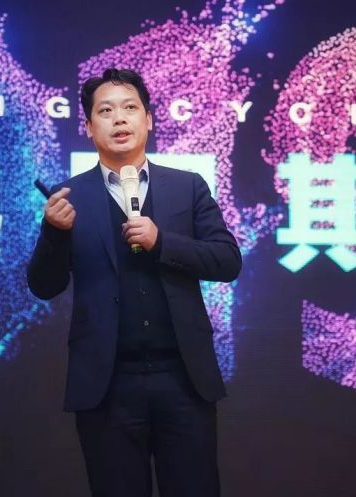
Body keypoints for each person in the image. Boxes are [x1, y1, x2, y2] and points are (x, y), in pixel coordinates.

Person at [26, 68, 241, 497]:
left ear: (149, 120)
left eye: (130, 108)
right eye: (105, 111)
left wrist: (163, 242)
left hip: (183, 379)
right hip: (107, 386)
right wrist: (53, 233)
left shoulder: (186, 187)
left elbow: (226, 260)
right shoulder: (68, 198)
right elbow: (44, 286)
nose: (119, 119)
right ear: (89, 128)